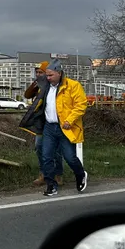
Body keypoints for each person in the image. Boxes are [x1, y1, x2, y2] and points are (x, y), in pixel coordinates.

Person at [40, 60, 88, 197]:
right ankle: (51, 185)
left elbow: (81, 105)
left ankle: (80, 174)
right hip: (49, 126)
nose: (48, 78)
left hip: (65, 127)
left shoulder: (73, 86)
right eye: (46, 75)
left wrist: (69, 120)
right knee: (46, 156)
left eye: (50, 75)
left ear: (59, 73)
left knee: (70, 157)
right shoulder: (46, 87)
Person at [23, 61, 63, 187]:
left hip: (52, 121)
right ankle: (44, 173)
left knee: (55, 150)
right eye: (37, 72)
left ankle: (57, 174)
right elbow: (27, 95)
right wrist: (35, 83)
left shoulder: (52, 85)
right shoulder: (39, 84)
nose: (39, 74)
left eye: (41, 72)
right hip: (40, 123)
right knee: (39, 147)